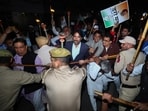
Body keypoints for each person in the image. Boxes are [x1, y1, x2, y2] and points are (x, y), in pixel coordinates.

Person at [114, 36, 146, 111]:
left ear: (129, 45)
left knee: (122, 109)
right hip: (138, 88)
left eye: (123, 44)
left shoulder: (122, 54)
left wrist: (117, 57)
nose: (121, 45)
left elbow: (116, 70)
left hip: (127, 90)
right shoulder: (143, 55)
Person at [13, 38, 45, 111]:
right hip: (21, 88)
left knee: (38, 107)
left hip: (34, 88)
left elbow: (40, 73)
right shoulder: (14, 57)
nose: (19, 50)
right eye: (16, 48)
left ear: (26, 47)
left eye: (21, 47)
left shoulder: (34, 57)